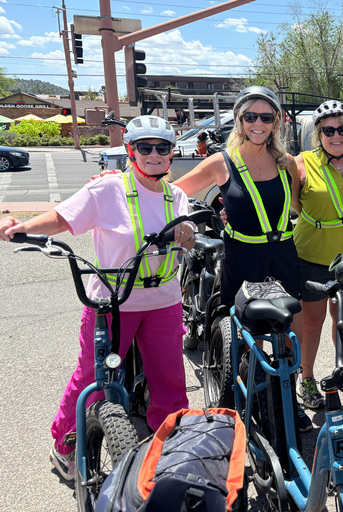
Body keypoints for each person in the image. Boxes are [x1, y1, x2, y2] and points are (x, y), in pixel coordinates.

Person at [1, 115, 194, 481]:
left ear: (171, 155)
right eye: (145, 147)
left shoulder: (177, 195)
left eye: (162, 148)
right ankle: (66, 444)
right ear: (131, 151)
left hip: (163, 301)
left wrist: (188, 236)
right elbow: (62, 218)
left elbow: (187, 239)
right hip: (112, 302)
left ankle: (169, 441)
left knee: (170, 379)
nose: (154, 154)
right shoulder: (107, 189)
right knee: (93, 375)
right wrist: (22, 227)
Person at [172, 86, 312, 431]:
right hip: (242, 254)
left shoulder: (287, 162)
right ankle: (239, 399)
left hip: (281, 254)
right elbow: (173, 191)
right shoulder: (223, 161)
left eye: (267, 117)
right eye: (251, 117)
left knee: (289, 334)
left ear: (277, 122)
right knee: (243, 334)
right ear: (239, 120)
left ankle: (287, 399)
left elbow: (295, 207)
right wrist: (121, 181)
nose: (258, 123)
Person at [293, 100, 343, 409]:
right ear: (319, 133)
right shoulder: (302, 163)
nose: (336, 135)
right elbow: (288, 202)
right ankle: (308, 378)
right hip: (312, 256)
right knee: (311, 323)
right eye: (329, 129)